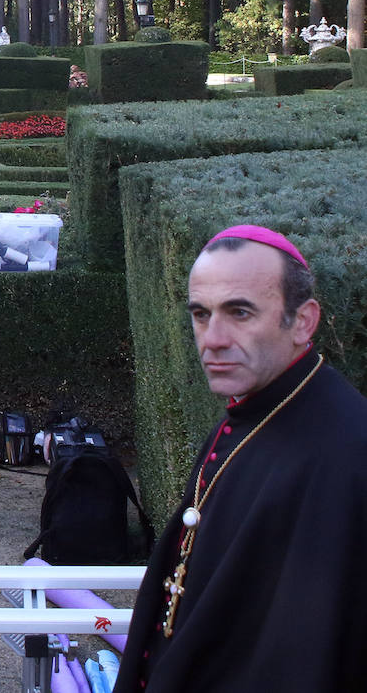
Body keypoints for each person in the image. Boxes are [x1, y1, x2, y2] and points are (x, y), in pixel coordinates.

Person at [114, 225, 367, 692]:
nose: (212, 339)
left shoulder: (343, 454)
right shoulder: (253, 411)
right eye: (200, 313)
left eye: (240, 312)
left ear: (303, 321)